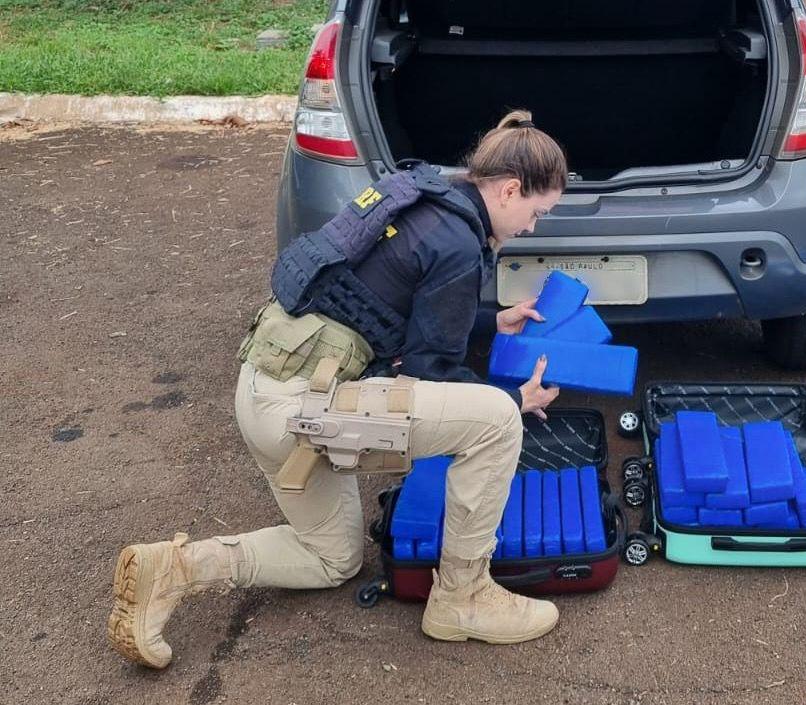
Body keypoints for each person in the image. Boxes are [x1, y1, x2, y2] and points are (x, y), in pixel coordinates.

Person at [107, 110, 569, 668]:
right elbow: (431, 372)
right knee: (494, 419)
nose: (532, 227)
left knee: (332, 558)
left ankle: (176, 568)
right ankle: (463, 598)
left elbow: (390, 298)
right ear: (510, 188)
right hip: (302, 415)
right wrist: (517, 401)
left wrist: (493, 321)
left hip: (260, 391)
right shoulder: (459, 245)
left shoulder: (424, 197)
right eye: (536, 212)